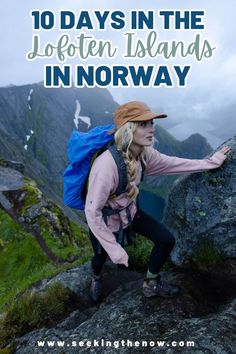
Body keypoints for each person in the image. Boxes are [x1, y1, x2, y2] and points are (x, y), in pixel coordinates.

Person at [85, 101, 230, 303]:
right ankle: (96, 277)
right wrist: (116, 251)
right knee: (100, 257)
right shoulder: (106, 167)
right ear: (129, 129)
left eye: (151, 123)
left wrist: (211, 162)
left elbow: (174, 164)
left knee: (166, 240)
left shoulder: (144, 154)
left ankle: (151, 284)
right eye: (144, 124)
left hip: (130, 212)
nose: (152, 128)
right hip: (107, 221)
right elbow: (92, 213)